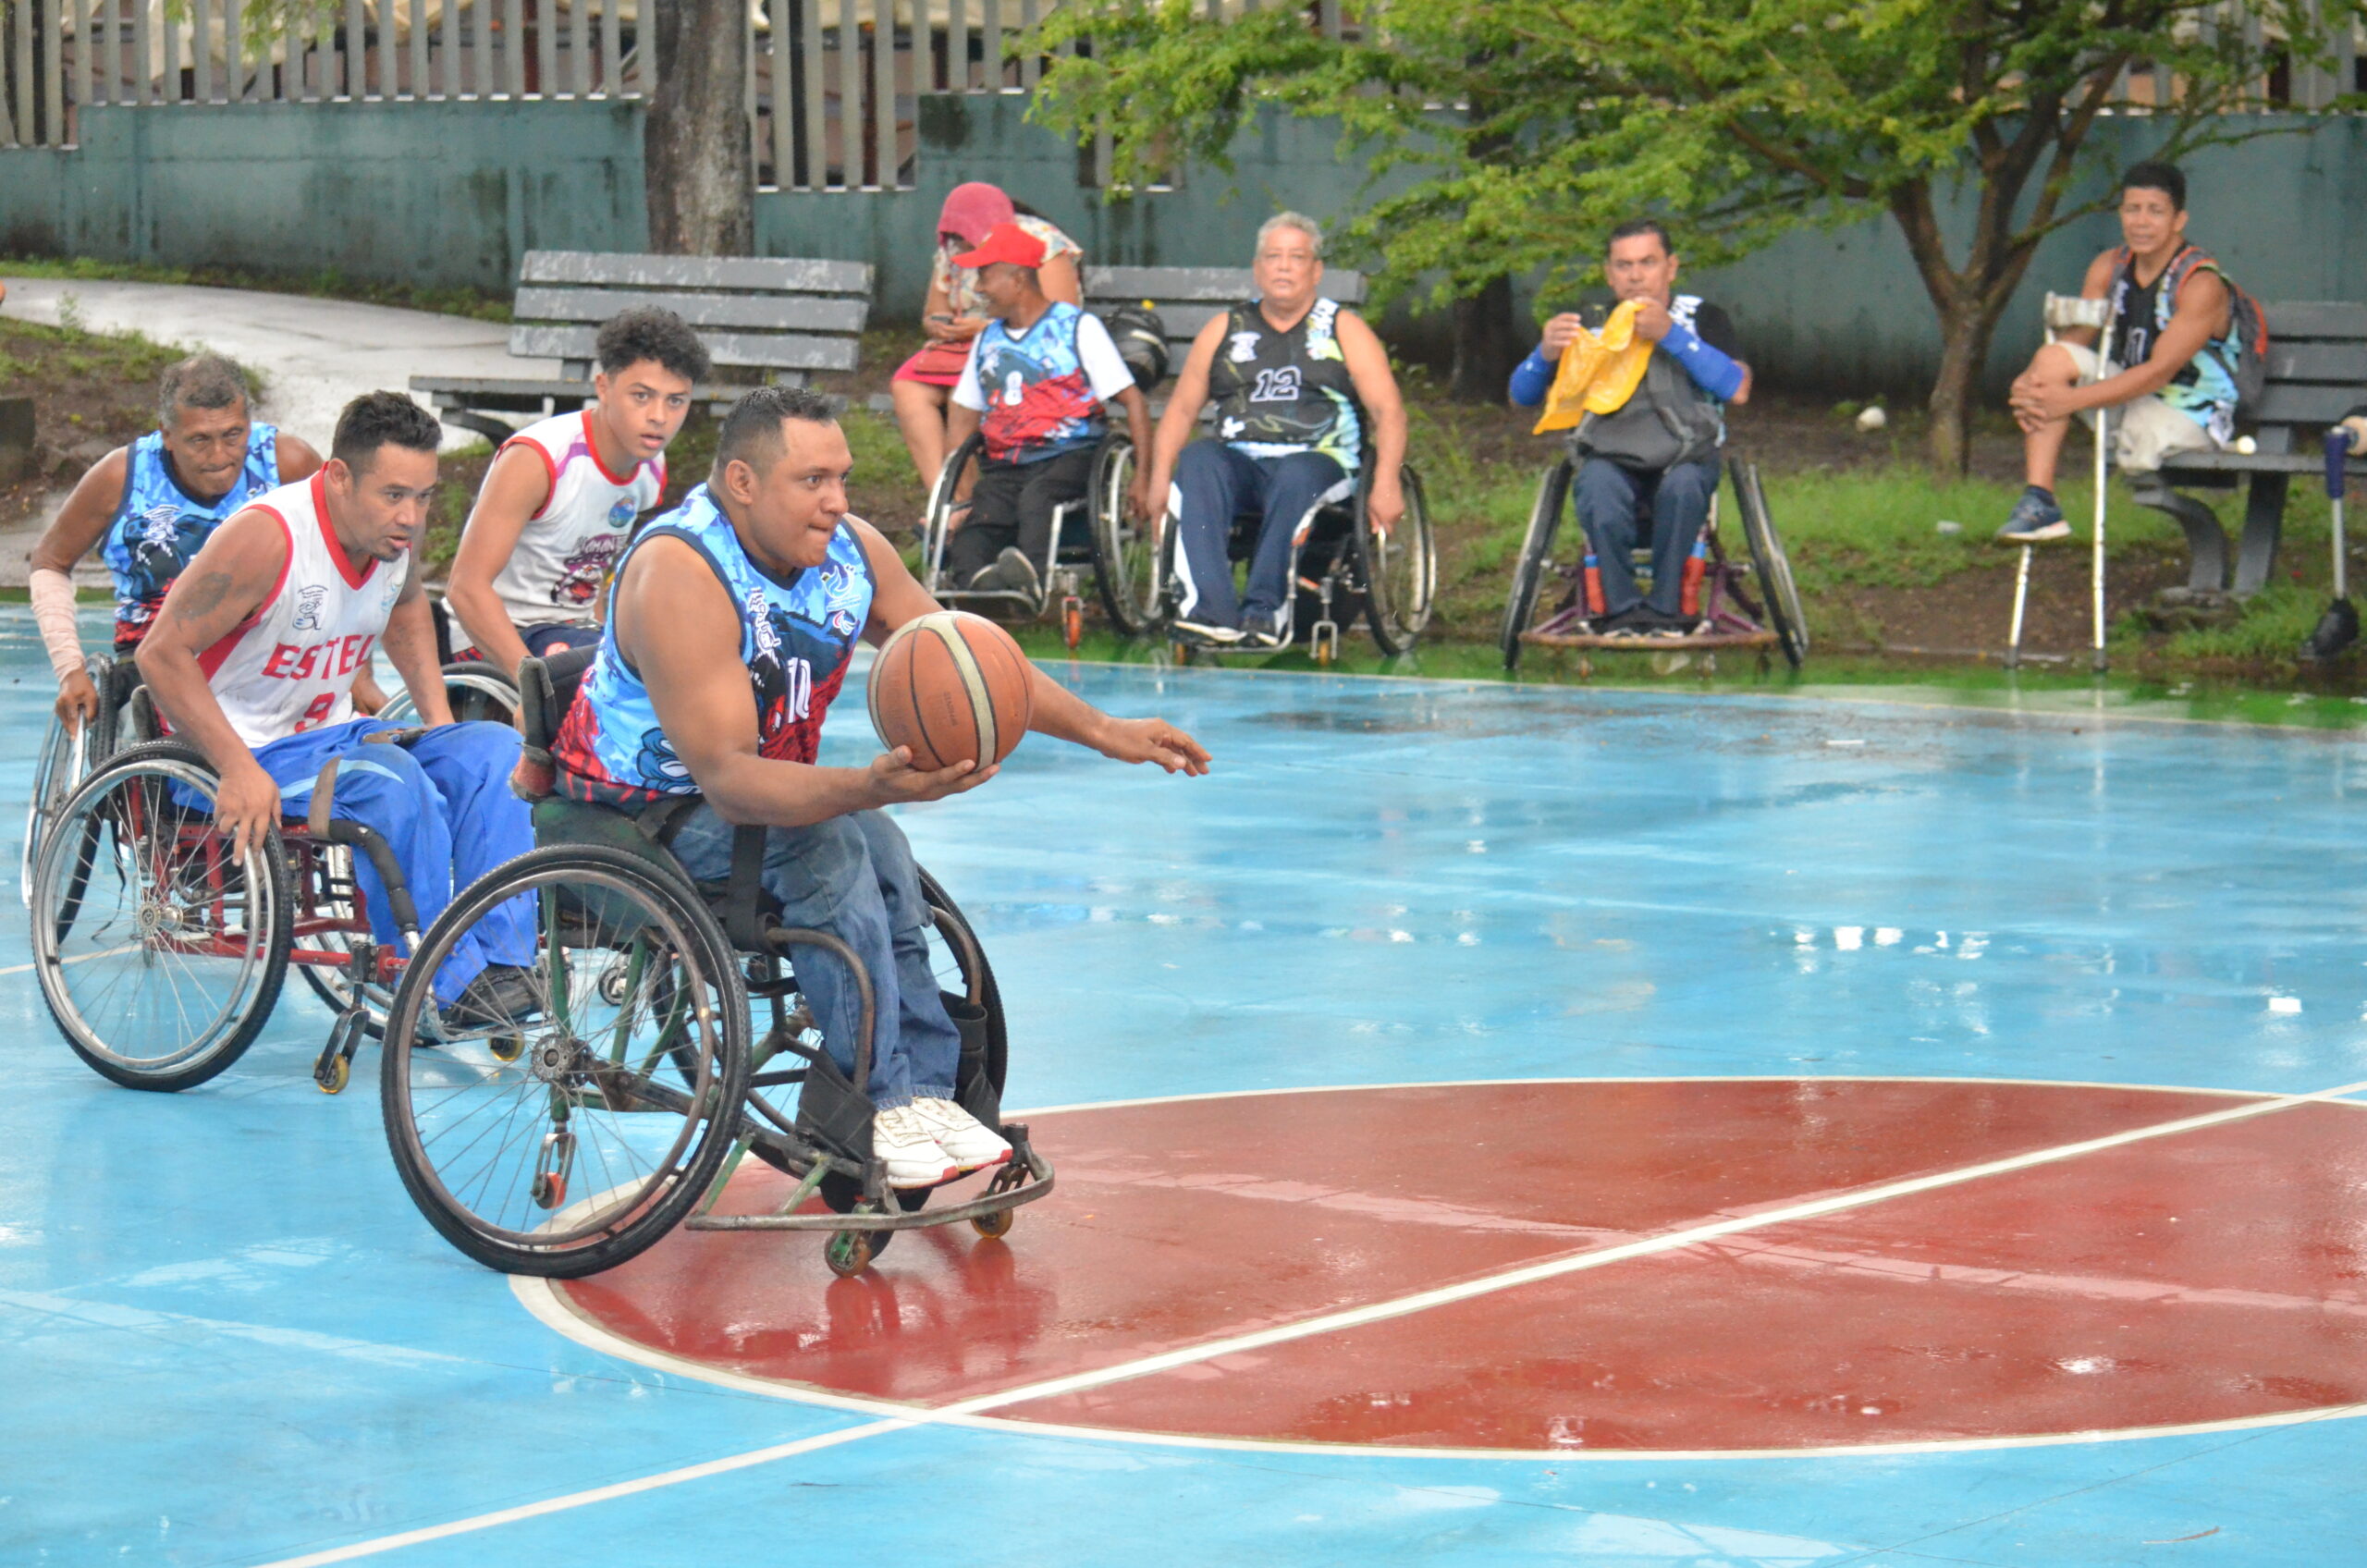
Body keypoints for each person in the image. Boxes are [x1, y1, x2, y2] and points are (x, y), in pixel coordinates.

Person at [551, 385, 1210, 1188]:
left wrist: (1109, 733)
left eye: (842, 478)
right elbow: (726, 781)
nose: (836, 502)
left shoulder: (849, 554)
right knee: (830, 843)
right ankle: (877, 1100)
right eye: (812, 481)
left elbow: (971, 663)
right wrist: (868, 785)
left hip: (755, 799)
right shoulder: (680, 573)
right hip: (635, 816)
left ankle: (925, 1093)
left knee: (886, 853)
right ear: (741, 483)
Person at [134, 392, 536, 1023]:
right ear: (339, 476)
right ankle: (445, 981)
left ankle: (507, 964)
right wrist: (237, 768)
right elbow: (159, 654)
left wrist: (439, 721)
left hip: (329, 738)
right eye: (395, 494)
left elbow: (404, 609)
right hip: (237, 749)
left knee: (496, 753)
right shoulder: (267, 538)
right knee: (392, 783)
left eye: (425, 496)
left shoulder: (388, 537)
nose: (411, 516)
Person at [25, 354, 388, 724]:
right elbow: (50, 562)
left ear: (249, 422)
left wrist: (359, 674)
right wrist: (70, 668)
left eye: (232, 435)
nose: (219, 456)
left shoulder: (289, 464)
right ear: (166, 434)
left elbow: (349, 557)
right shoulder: (121, 476)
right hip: (153, 662)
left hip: (275, 656)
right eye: (199, 440)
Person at [1139, 213, 1408, 647]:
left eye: (1296, 257)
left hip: (1319, 463)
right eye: (1273, 256)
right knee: (1199, 459)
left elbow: (1389, 410)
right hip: (1242, 462)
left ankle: (1266, 612)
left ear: (1316, 271)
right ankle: (1212, 612)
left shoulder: (1343, 328)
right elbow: (1182, 409)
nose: (1284, 266)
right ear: (1257, 269)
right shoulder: (1225, 329)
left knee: (1294, 474)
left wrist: (1388, 481)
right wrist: (1156, 481)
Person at [1508, 219, 1750, 635]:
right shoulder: (1588, 321)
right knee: (1598, 487)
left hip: (1686, 457)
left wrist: (1671, 336)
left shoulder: (1702, 317)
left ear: (1670, 268)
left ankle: (1667, 609)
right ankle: (1618, 611)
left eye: (1648, 262)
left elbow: (1738, 389)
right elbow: (1521, 396)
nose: (1636, 275)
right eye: (1624, 265)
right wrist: (1544, 352)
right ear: (1609, 273)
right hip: (1610, 455)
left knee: (1683, 487)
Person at [444, 308, 711, 679]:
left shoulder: (650, 464)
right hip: (498, 638)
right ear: (603, 387)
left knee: (698, 648)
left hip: (576, 633)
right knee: (619, 673)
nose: (659, 416)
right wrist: (532, 685)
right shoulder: (539, 459)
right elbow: (465, 589)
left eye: (675, 401)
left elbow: (594, 572)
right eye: (641, 396)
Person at [1998, 162, 2238, 542]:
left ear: (2179, 220)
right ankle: (2040, 501)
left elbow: (2159, 372)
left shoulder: (2201, 283)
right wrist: (2030, 385)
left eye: (2155, 211)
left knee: (2132, 435)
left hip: (2188, 410)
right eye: (2132, 209)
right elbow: (2074, 344)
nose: (2141, 222)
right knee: (2050, 361)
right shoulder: (2109, 267)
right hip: (2128, 397)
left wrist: (2069, 401)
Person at [940, 222, 1153, 601]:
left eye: (985, 277)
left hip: (1069, 455)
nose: (979, 289)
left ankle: (1029, 583)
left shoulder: (1076, 328)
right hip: (1005, 461)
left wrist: (1142, 477)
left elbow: (1133, 401)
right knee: (983, 516)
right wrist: (962, 490)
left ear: (1017, 279)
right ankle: (976, 586)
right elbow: (963, 412)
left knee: (1037, 498)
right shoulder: (987, 340)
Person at [890, 183, 1085, 491]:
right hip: (965, 349)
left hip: (1031, 348)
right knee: (907, 387)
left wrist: (981, 329)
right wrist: (941, 326)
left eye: (967, 237)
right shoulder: (953, 249)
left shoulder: (1042, 243)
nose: (961, 245)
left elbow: (1059, 321)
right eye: (957, 237)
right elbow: (933, 311)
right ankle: (941, 498)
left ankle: (964, 502)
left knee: (962, 395)